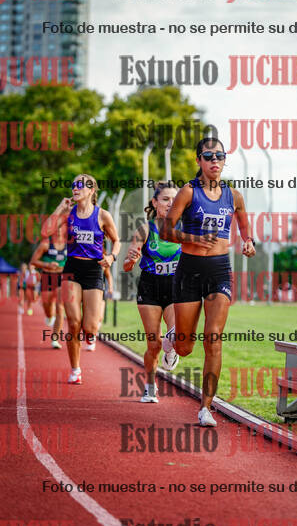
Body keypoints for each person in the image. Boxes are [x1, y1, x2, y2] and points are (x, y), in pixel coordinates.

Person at [160, 138, 256, 425]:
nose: (215, 160)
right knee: (185, 347)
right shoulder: (188, 192)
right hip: (189, 271)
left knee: (213, 338)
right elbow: (166, 230)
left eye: (219, 156)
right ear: (199, 160)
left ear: (225, 160)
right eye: (208, 156)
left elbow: (244, 226)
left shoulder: (234, 196)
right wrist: (194, 239)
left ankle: (205, 408)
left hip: (219, 271)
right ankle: (173, 337)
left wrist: (248, 241)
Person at [41, 174, 120, 384]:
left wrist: (111, 257)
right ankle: (75, 369)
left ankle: (90, 333)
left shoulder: (102, 215)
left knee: (90, 327)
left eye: (80, 185)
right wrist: (60, 208)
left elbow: (116, 241)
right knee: (73, 323)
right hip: (72, 269)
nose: (75, 188)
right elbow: (45, 231)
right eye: (73, 185)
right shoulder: (68, 213)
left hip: (94, 270)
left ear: (91, 190)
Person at [123, 182, 181, 403]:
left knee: (177, 334)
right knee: (153, 344)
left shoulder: (184, 230)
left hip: (175, 287)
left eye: (174, 199)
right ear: (155, 203)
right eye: (165, 199)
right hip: (150, 288)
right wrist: (131, 260)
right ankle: (149, 387)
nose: (170, 203)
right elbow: (127, 265)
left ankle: (171, 349)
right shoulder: (145, 229)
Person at [30, 224, 67, 349]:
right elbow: (33, 261)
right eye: (57, 229)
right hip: (47, 277)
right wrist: (47, 265)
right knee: (48, 307)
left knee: (60, 307)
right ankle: (49, 316)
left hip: (62, 277)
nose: (59, 231)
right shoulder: (45, 244)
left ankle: (55, 339)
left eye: (61, 228)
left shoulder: (70, 245)